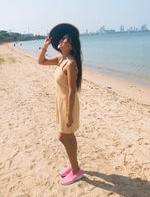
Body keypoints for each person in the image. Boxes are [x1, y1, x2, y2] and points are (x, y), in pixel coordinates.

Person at [38, 23, 83, 185]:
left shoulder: (70, 64)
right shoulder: (60, 59)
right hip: (61, 103)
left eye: (65, 40)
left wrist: (69, 114)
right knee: (69, 136)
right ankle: (74, 165)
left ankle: (77, 171)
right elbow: (41, 62)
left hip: (68, 104)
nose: (62, 41)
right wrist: (45, 46)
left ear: (71, 47)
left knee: (63, 136)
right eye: (62, 39)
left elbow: (72, 91)